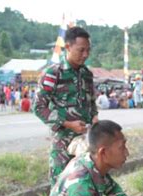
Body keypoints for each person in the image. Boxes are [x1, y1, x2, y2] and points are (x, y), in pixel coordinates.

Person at [33, 26, 98, 187]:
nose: (85, 55)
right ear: (68, 47)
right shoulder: (53, 74)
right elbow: (39, 107)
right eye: (81, 50)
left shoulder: (86, 74)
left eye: (88, 50)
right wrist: (68, 124)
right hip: (62, 142)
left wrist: (95, 118)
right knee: (60, 187)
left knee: (86, 185)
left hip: (85, 141)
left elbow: (91, 103)